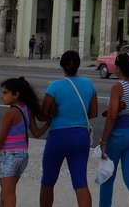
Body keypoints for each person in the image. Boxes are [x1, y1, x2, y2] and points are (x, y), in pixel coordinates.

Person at [40, 51, 98, 207]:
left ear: (63, 65)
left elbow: (43, 114)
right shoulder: (89, 84)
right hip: (81, 135)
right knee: (80, 182)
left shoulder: (55, 86)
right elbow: (93, 112)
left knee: (48, 180)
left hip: (59, 136)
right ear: (77, 64)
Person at [0, 77, 50, 207]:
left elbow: (0, 139)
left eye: (5, 93)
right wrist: (49, 122)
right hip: (22, 155)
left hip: (9, 155)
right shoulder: (27, 110)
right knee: (6, 193)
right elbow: (37, 133)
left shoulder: (10, 112)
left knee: (8, 195)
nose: (1, 96)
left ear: (16, 95)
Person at [97, 54, 129, 207]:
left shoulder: (117, 87)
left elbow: (112, 116)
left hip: (118, 135)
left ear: (118, 69)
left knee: (107, 178)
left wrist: (103, 140)